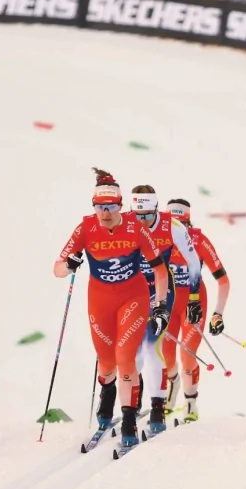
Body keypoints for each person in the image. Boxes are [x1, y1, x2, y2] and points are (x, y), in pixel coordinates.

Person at [54, 168, 171, 448]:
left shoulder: (136, 228)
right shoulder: (85, 228)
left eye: (110, 207)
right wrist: (69, 264)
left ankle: (129, 419)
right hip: (100, 300)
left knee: (124, 357)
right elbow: (57, 269)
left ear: (121, 206)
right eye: (99, 207)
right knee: (105, 362)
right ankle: (105, 405)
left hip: (133, 297)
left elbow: (160, 270)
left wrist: (161, 305)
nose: (105, 213)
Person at [129, 185, 202, 435]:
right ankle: (133, 404)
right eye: (137, 215)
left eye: (147, 216)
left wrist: (194, 297)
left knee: (153, 347)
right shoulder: (126, 223)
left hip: (163, 291)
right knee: (132, 350)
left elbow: (194, 263)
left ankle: (159, 407)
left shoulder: (173, 226)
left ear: (156, 209)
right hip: (134, 291)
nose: (141, 222)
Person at [162, 198, 231, 421]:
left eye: (182, 225)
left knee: (188, 356)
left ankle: (190, 402)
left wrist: (218, 314)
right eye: (172, 225)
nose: (178, 232)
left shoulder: (199, 240)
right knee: (166, 355)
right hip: (167, 303)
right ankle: (173, 383)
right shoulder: (157, 240)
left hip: (194, 302)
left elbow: (223, 280)